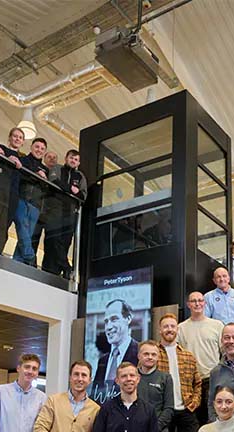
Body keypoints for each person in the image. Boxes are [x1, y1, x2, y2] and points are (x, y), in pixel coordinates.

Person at [177, 291, 225, 429]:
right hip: (190, 382)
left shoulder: (217, 325)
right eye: (193, 301)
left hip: (213, 379)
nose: (197, 303)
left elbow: (224, 352)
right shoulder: (181, 328)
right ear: (188, 305)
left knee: (213, 420)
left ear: (204, 303)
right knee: (193, 423)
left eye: (200, 300)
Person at [43, 149, 86, 278]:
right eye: (71, 158)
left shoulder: (80, 176)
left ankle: (59, 272)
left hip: (71, 215)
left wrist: (72, 191)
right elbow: (53, 181)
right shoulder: (57, 168)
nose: (73, 161)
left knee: (65, 243)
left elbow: (83, 195)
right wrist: (71, 190)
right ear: (66, 158)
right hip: (54, 211)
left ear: (78, 162)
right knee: (52, 239)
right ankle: (65, 267)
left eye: (76, 159)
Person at [90, 299, 140, 402]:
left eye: (114, 319)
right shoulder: (103, 360)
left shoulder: (140, 354)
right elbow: (96, 397)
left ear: (128, 319)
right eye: (106, 321)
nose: (108, 327)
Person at [0, 127, 24, 253]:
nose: (17, 139)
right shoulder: (1, 148)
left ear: (23, 142)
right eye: (15, 136)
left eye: (20, 137)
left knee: (4, 226)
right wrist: (8, 157)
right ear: (10, 138)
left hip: (12, 196)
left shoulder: (23, 160)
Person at [14, 137, 50, 266]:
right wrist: (36, 173)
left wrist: (44, 179)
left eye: (42, 148)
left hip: (36, 204)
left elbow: (47, 188)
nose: (39, 150)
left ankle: (17, 262)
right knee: (22, 226)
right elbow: (19, 174)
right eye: (37, 147)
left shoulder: (45, 169)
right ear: (31, 147)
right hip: (21, 198)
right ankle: (30, 255)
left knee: (27, 235)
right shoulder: (23, 160)